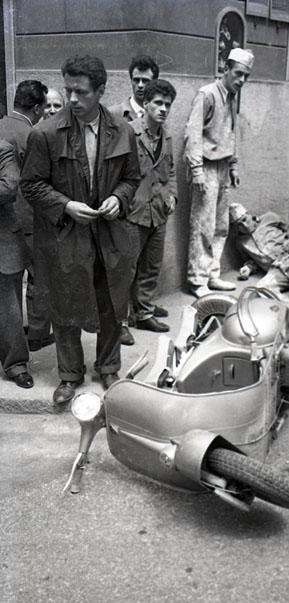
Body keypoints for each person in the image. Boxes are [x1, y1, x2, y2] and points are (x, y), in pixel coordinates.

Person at [20, 55, 140, 405]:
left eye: (81, 92)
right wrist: (66, 206)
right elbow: (31, 185)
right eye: (68, 89)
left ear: (100, 91)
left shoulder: (123, 131)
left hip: (110, 234)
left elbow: (132, 178)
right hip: (66, 235)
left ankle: (108, 367)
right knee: (66, 302)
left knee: (112, 301)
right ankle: (70, 374)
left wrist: (119, 197)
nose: (72, 98)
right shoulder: (45, 133)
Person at [184, 47, 254, 298]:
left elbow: (231, 133)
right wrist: (196, 170)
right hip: (206, 166)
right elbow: (192, 133)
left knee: (221, 225)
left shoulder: (232, 97)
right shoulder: (207, 94)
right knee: (203, 224)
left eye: (246, 76)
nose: (241, 80)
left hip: (223, 166)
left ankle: (212, 274)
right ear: (226, 69)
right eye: (238, 74)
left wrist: (233, 165)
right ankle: (197, 279)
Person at [0, 80, 54, 352]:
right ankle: (37, 333)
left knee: (8, 287)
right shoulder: (33, 134)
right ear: (36, 108)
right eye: (44, 108)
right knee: (39, 277)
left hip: (6, 219)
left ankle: (12, 336)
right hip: (30, 217)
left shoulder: (0, 127)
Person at [125, 79, 177, 337]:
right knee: (126, 269)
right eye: (158, 103)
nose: (163, 108)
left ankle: (144, 313)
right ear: (145, 104)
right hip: (133, 212)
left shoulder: (167, 136)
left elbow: (171, 171)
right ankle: (120, 323)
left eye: (167, 104)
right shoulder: (128, 133)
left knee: (151, 267)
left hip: (158, 212)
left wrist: (173, 196)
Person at [229, 202, 289, 325]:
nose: (244, 225)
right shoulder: (241, 242)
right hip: (277, 268)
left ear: (249, 214)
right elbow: (252, 261)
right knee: (261, 289)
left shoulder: (269, 218)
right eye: (239, 225)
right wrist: (248, 268)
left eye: (244, 220)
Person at [0, 139, 33, 388]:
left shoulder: (3, 148)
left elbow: (9, 186)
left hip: (3, 240)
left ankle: (16, 364)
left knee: (8, 305)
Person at [108, 55, 159, 122]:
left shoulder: (160, 116)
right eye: (136, 80)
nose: (140, 85)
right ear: (131, 81)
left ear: (154, 83)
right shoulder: (111, 115)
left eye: (145, 81)